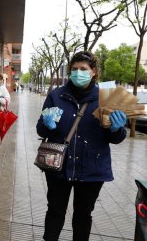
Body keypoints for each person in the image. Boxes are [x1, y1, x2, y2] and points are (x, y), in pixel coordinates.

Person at [36, 51, 127, 241]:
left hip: (92, 168)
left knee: (83, 215)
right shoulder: (56, 95)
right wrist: (48, 125)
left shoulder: (107, 97)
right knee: (55, 211)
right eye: (74, 69)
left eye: (83, 69)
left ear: (94, 71)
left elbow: (116, 138)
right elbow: (40, 129)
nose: (78, 73)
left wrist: (117, 130)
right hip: (59, 167)